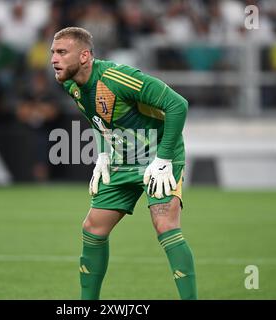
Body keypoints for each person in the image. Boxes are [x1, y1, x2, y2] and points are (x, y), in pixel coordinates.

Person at [50, 27, 196, 300]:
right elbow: (97, 118)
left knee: (165, 225)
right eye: (52, 53)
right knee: (93, 228)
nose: (53, 59)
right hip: (122, 160)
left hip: (159, 156)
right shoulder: (71, 84)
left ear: (84, 56)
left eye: (61, 52)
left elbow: (178, 105)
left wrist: (164, 159)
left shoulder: (118, 78)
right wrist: (103, 154)